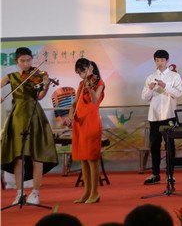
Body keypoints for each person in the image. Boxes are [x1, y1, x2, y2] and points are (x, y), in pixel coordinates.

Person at [0, 47, 58, 206]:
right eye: (22, 61)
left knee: (36, 156)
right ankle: (19, 193)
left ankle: (35, 193)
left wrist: (46, 86)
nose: (26, 64)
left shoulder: (37, 75)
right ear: (16, 61)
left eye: (29, 60)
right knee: (18, 158)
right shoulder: (10, 77)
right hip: (17, 117)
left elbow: (39, 97)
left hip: (34, 116)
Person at [141, 50, 182, 185]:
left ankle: (170, 175)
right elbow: (144, 97)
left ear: (167, 61)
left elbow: (178, 94)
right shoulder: (150, 77)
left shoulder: (174, 76)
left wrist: (165, 86)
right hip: (154, 116)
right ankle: (155, 174)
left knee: (169, 145)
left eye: (162, 60)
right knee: (154, 145)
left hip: (169, 115)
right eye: (157, 60)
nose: (160, 63)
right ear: (155, 61)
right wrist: (150, 88)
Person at [67, 58, 105, 204]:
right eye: (79, 73)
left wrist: (90, 89)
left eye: (83, 71)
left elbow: (95, 101)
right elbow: (74, 104)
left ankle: (95, 193)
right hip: (79, 123)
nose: (81, 75)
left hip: (91, 122)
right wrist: (70, 116)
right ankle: (86, 192)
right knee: (83, 158)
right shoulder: (81, 84)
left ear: (91, 68)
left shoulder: (99, 83)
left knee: (92, 159)